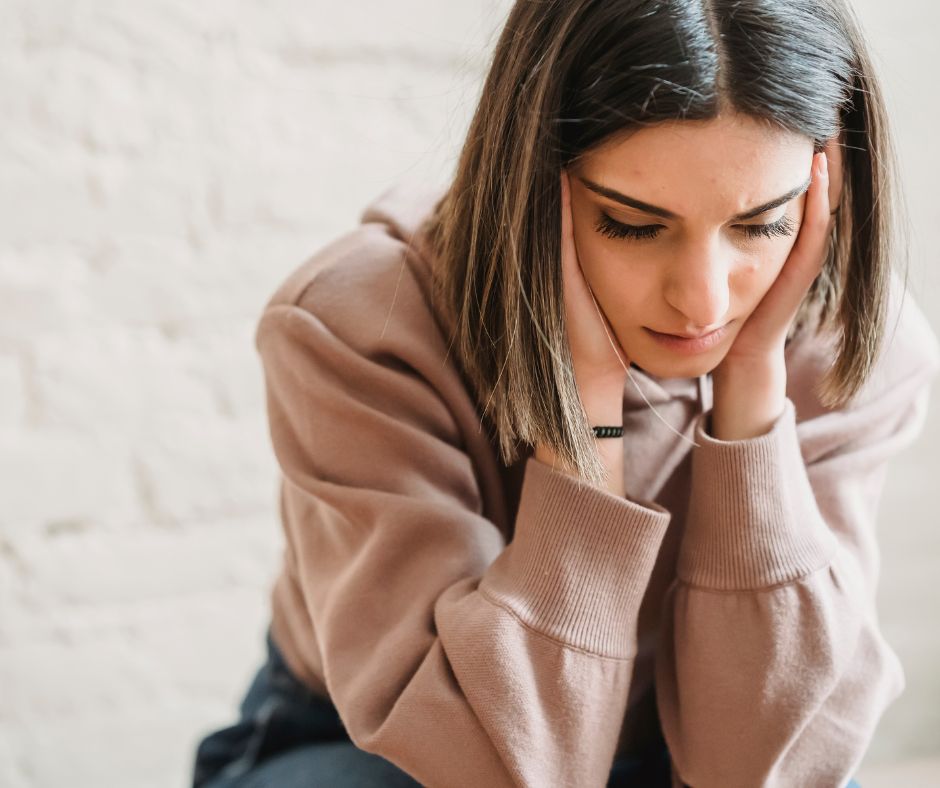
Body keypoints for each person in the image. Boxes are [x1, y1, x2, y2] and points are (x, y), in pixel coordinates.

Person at [191, 1, 940, 786]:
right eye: (632, 224)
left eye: (761, 225)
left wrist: (751, 401)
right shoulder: (360, 330)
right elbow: (498, 766)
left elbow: (751, 768)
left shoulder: (854, 342)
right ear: (528, 179)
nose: (706, 303)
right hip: (387, 747)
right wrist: (581, 415)